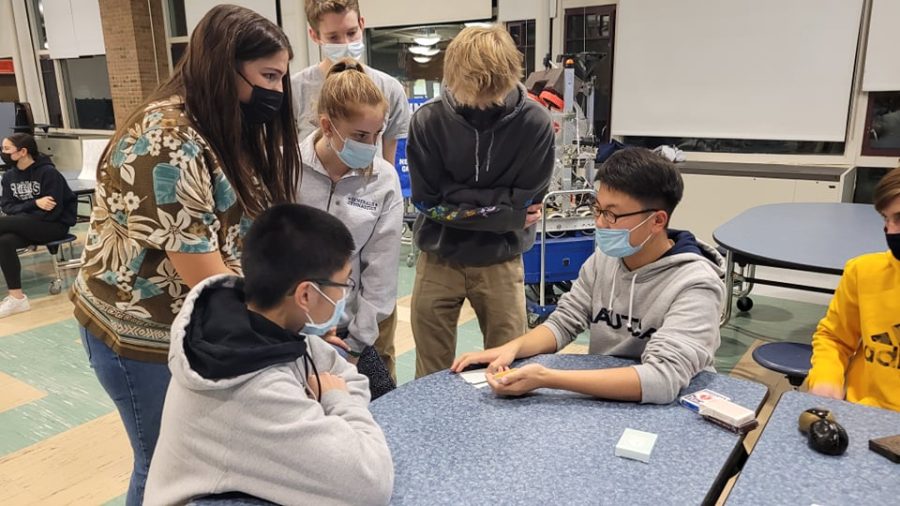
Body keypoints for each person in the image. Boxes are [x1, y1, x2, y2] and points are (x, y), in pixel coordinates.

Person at [69, 6, 301, 504]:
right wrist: (284, 329)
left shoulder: (220, 123)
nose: (277, 93)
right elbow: (206, 278)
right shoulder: (167, 138)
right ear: (224, 65)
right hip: (143, 333)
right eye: (268, 76)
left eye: (281, 77)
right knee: (162, 467)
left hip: (189, 325)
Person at [144, 204, 393, 506]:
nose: (345, 295)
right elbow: (371, 484)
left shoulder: (271, 325)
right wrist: (335, 401)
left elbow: (348, 376)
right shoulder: (252, 387)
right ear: (306, 294)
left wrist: (331, 399)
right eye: (344, 284)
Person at [452, 148, 725, 404]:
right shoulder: (605, 260)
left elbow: (662, 380)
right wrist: (512, 349)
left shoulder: (696, 284)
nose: (600, 223)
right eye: (598, 210)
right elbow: (564, 323)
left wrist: (548, 379)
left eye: (612, 215)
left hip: (675, 408)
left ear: (657, 221)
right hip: (607, 397)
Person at [407, 25, 555, 378]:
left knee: (508, 368)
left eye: (494, 94)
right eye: (473, 94)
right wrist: (504, 209)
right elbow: (427, 201)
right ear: (453, 76)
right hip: (438, 257)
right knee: (430, 371)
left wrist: (455, 199)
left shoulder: (535, 124)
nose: (483, 103)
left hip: (501, 261)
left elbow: (527, 203)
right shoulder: (428, 120)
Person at [293, 1, 410, 378]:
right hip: (298, 319)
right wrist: (307, 321)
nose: (371, 145)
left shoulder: (382, 179)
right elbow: (278, 252)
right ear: (326, 127)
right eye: (361, 136)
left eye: (376, 134)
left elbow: (381, 272)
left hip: (358, 324)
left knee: (372, 407)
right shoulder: (289, 167)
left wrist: (358, 344)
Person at [807, 167, 900, 412]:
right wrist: (826, 378)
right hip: (863, 414)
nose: (890, 230)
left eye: (899, 218)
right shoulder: (863, 271)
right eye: (886, 219)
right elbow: (834, 338)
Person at [0, 133, 77, 317]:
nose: (3, 152)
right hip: (25, 224)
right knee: (4, 241)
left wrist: (23, 213)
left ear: (23, 151)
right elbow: (6, 206)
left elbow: (51, 211)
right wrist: (34, 204)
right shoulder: (9, 176)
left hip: (52, 225)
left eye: (7, 149)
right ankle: (17, 299)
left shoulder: (48, 173)